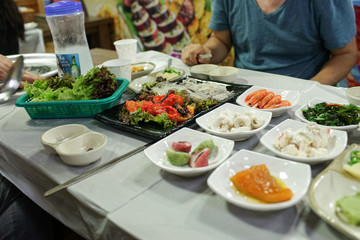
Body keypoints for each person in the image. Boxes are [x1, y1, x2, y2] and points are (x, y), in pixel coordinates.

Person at [181, 0, 358, 86]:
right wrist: (206, 52)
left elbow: (345, 54)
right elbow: (221, 40)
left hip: (302, 88)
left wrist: (308, 88)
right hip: (242, 89)